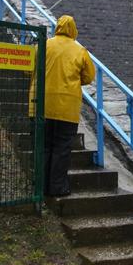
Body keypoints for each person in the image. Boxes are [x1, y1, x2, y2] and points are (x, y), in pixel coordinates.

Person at [30, 15, 95, 197]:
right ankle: (57, 187)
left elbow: (31, 68)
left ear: (57, 28)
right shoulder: (80, 50)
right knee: (61, 149)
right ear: (74, 30)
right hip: (66, 108)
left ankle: (40, 186)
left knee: (43, 147)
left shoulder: (42, 45)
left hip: (40, 105)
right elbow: (89, 77)